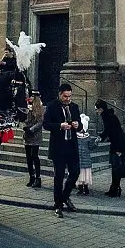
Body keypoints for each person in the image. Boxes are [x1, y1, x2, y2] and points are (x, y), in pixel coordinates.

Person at [43, 83, 82, 217]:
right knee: (58, 177)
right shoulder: (52, 106)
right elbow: (46, 124)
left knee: (75, 173)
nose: (68, 99)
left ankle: (64, 196)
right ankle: (58, 204)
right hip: (58, 146)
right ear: (59, 94)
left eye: (70, 96)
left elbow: (80, 125)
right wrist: (59, 125)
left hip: (72, 146)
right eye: (65, 96)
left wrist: (78, 125)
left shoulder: (74, 107)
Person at [95, 99, 125, 197]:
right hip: (116, 144)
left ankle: (115, 189)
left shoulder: (109, 117)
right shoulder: (107, 116)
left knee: (116, 167)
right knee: (115, 167)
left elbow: (115, 132)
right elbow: (107, 131)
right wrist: (101, 137)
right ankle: (114, 188)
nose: (96, 111)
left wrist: (118, 149)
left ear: (101, 109)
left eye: (97, 109)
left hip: (118, 144)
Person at [22, 91, 44, 188]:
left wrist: (31, 129)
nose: (29, 97)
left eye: (31, 96)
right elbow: (21, 118)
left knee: (34, 156)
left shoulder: (39, 107)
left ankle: (38, 178)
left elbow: (40, 122)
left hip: (35, 135)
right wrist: (24, 126)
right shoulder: (26, 106)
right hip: (27, 135)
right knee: (28, 157)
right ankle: (31, 176)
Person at [75, 113, 97, 195]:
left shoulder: (87, 137)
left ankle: (85, 188)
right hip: (80, 159)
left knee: (84, 174)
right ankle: (81, 188)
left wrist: (95, 143)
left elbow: (91, 146)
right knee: (80, 174)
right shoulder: (78, 137)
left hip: (83, 159)